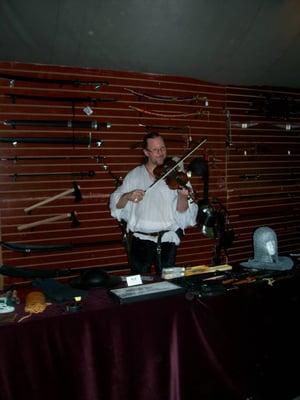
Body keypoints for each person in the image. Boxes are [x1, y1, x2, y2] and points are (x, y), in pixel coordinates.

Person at [109, 132, 198, 275]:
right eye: (156, 150)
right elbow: (116, 204)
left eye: (163, 148)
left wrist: (182, 197)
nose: (161, 153)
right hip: (140, 241)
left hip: (167, 240)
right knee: (139, 285)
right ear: (146, 152)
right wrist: (127, 196)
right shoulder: (134, 175)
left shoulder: (176, 175)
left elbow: (183, 214)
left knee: (168, 285)